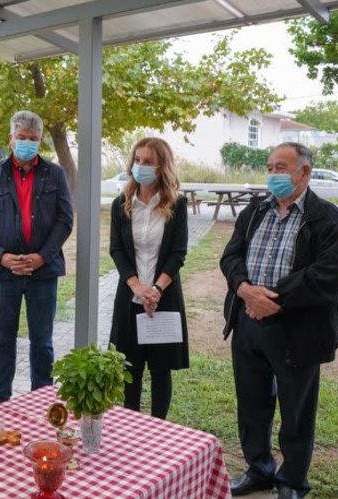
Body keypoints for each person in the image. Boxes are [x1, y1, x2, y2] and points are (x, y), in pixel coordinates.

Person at [220, 143, 338, 499]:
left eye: (281, 167)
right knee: (252, 404)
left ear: (304, 172)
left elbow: (329, 276)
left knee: (296, 410)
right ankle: (259, 468)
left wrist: (272, 300)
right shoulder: (255, 211)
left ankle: (292, 480)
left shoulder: (328, 218)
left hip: (298, 331)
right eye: (270, 167)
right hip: (247, 322)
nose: (273, 174)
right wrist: (245, 290)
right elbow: (230, 256)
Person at [0, 110, 73, 405]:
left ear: (40, 141)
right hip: (4, 272)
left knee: (42, 341)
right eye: (21, 138)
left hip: (42, 272)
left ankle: (43, 396)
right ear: (10, 139)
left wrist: (41, 257)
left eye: (32, 139)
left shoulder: (54, 174)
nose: (26, 143)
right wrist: (2, 257)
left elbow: (65, 220)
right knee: (3, 337)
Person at [108, 137, 189, 420]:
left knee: (160, 369)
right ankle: (133, 426)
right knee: (129, 368)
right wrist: (137, 287)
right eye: (137, 160)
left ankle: (158, 426)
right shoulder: (122, 203)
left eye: (148, 162)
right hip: (130, 297)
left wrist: (155, 290)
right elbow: (116, 250)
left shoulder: (176, 205)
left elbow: (178, 253)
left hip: (163, 298)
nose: (140, 166)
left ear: (162, 166)